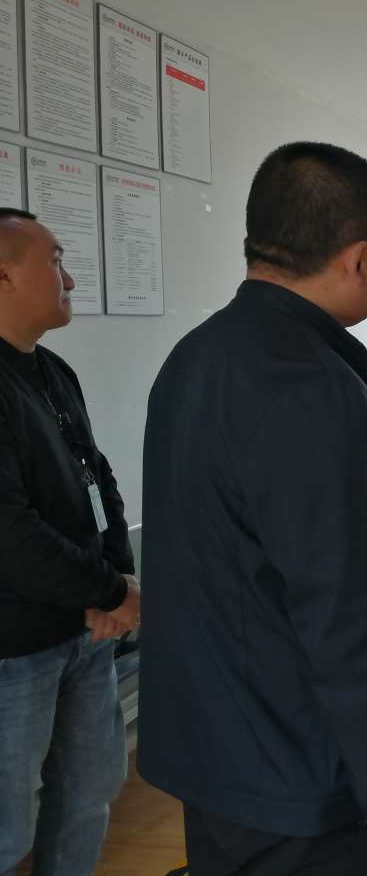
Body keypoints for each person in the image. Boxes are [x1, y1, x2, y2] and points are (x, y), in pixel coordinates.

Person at [139, 144, 367, 876]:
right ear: (360, 259)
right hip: (302, 773)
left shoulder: (194, 357)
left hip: (219, 751)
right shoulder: (311, 385)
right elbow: (345, 612)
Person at [0, 208, 139, 876]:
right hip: (14, 649)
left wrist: (117, 582)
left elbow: (97, 479)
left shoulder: (51, 370)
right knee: (6, 826)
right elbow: (10, 534)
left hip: (83, 629)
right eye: (55, 261)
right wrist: (111, 590)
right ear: (3, 276)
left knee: (87, 796)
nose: (72, 280)